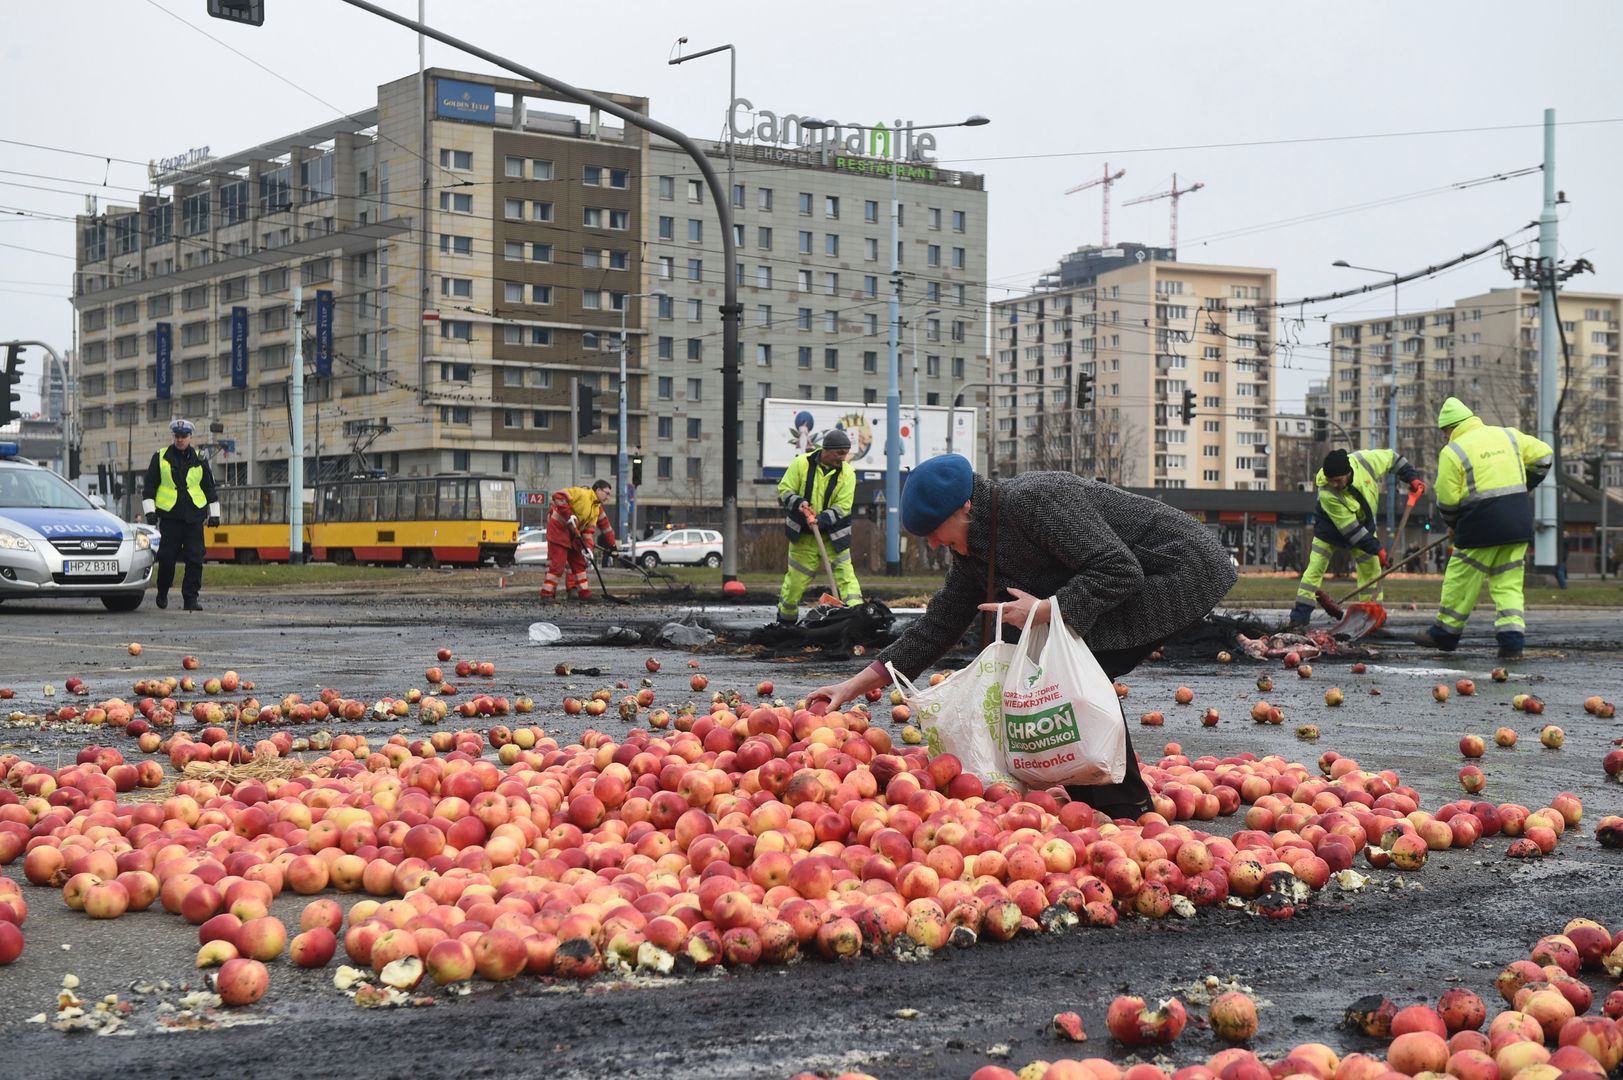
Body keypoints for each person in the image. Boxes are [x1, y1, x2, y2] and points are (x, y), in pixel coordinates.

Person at [808, 453, 1237, 820]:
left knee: (1070, 674)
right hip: (1128, 577)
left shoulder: (1036, 500)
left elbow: (1118, 569)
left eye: (935, 532)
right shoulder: (975, 554)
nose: (935, 544)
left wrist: (1046, 610)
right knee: (1054, 671)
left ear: (965, 507)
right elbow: (933, 629)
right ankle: (1096, 799)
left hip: (1178, 569)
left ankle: (1125, 813)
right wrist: (851, 687)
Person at [1413, 397, 1552, 659]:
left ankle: (1445, 634)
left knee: (1461, 578)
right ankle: (1511, 642)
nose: (1445, 438)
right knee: (1508, 583)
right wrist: (1526, 486)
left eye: (1444, 433)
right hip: (1517, 523)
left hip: (1480, 526)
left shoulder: (1453, 451)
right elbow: (1544, 454)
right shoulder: (1508, 435)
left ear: (1449, 428)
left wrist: (1453, 525)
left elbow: (1447, 499)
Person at [1287, 447, 1424, 630]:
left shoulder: (1364, 462)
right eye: (1331, 481)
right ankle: (1299, 617)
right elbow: (1352, 531)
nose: (1334, 484)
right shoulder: (1328, 492)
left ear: (1348, 472)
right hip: (1330, 529)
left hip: (1363, 523)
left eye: (1337, 480)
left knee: (1371, 570)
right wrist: (1378, 549)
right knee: (1315, 568)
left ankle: (1371, 616)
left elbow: (1392, 458)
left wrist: (1411, 477)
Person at [776, 427, 861, 623]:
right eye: (839, 453)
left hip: (835, 538)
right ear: (825, 449)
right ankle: (786, 622)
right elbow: (785, 488)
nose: (842, 458)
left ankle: (858, 618)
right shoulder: (801, 464)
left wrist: (821, 520)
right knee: (794, 584)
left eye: (845, 453)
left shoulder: (848, 474)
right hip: (804, 538)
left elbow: (843, 507)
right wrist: (800, 504)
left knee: (848, 580)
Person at [140, 418, 220, 611]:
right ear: (173, 436)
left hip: (194, 516)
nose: (180, 440)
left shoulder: (200, 458)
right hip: (170, 517)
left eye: (184, 436)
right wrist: (150, 512)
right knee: (167, 558)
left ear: (190, 437)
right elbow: (149, 487)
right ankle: (162, 591)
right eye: (177, 436)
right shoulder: (160, 457)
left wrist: (214, 514)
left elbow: (209, 487)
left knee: (195, 558)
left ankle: (190, 598)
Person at [542, 480, 618, 601]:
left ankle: (584, 592)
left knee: (579, 563)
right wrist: (568, 515)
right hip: (559, 530)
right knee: (558, 564)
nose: (608, 497)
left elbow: (588, 531)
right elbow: (558, 495)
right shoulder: (582, 494)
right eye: (607, 493)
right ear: (598, 490)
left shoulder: (596, 508)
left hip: (574, 533)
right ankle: (546, 594)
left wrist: (587, 548)